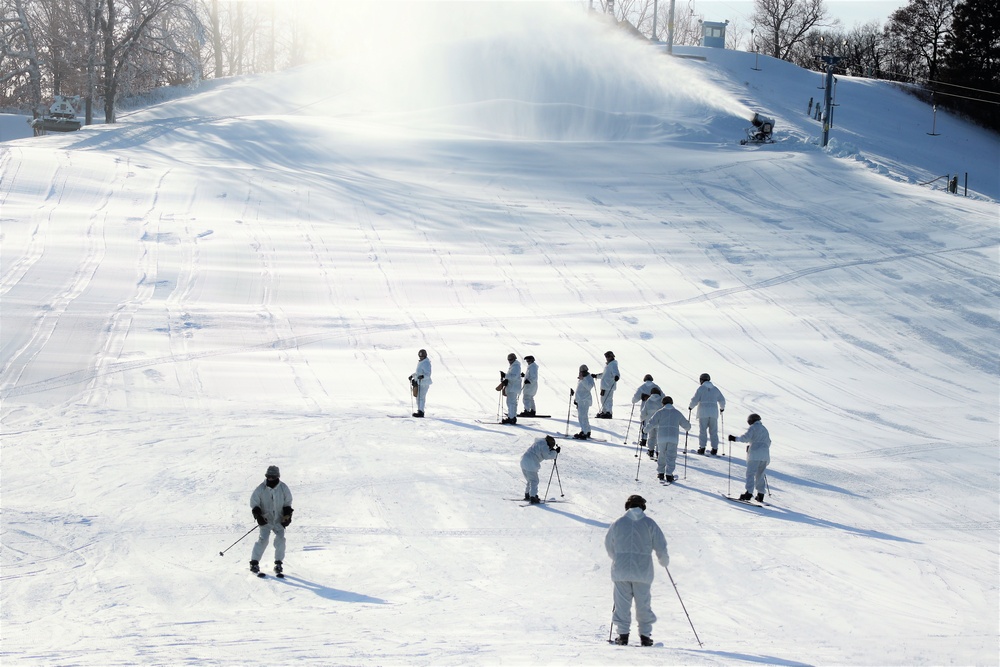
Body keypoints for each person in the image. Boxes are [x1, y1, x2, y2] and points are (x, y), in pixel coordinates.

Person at [605, 494, 670, 647]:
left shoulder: (618, 523)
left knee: (622, 604)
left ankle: (623, 636)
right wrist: (663, 560)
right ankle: (645, 637)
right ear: (643, 507)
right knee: (643, 604)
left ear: (627, 506)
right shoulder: (649, 523)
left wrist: (617, 557)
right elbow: (660, 545)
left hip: (621, 570)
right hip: (643, 571)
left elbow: (609, 544)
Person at [249, 465, 294, 576]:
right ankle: (254, 562)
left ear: (277, 476)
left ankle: (278, 563)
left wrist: (287, 515)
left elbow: (288, 502)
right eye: (268, 476)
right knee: (263, 540)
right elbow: (254, 503)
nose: (270, 479)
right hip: (266, 519)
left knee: (280, 540)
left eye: (273, 477)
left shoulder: (283, 488)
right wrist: (258, 516)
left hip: (279, 520)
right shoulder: (261, 488)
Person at [646, 396, 691, 483]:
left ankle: (661, 473)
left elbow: (652, 422)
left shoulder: (660, 412)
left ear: (663, 403)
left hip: (662, 438)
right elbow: (687, 426)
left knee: (662, 455)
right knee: (671, 456)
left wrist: (645, 430)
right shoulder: (677, 413)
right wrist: (688, 426)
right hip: (673, 438)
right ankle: (669, 475)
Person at [729, 413, 771, 502]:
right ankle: (760, 494)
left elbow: (745, 438)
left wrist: (735, 438)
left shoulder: (753, 427)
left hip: (755, 454)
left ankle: (749, 493)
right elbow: (769, 442)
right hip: (765, 455)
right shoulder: (764, 429)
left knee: (750, 474)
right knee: (760, 474)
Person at [688, 372, 726, 455]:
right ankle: (715, 448)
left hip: (703, 413)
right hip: (713, 413)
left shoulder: (701, 389)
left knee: (703, 431)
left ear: (701, 380)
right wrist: (722, 408)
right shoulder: (715, 389)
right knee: (713, 431)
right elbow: (722, 400)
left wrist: (691, 407)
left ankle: (702, 448)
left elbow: (695, 399)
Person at [520, 435, 560, 504]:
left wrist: (552, 451)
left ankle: (528, 494)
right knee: (534, 481)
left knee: (530, 480)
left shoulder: (539, 443)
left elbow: (543, 452)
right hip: (531, 462)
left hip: (524, 461)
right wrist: (555, 452)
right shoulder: (544, 445)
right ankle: (533, 496)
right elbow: (547, 456)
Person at [594, 351, 620, 419]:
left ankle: (609, 412)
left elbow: (616, 373)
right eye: (606, 357)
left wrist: (616, 376)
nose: (607, 358)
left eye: (608, 356)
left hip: (609, 385)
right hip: (604, 386)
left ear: (612, 356)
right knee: (603, 399)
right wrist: (596, 376)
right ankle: (604, 411)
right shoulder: (608, 365)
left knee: (608, 399)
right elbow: (604, 375)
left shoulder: (613, 364)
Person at [498, 353, 523, 424]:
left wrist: (505, 375)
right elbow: (512, 376)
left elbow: (514, 376)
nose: (509, 361)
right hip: (513, 387)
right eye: (508, 359)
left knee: (510, 403)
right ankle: (513, 417)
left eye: (511, 359)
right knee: (513, 403)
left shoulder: (516, 366)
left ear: (514, 359)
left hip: (513, 388)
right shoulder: (514, 366)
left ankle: (511, 418)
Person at [573, 364, 596, 439]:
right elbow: (579, 390)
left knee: (583, 416)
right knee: (581, 416)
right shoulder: (582, 378)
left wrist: (582, 379)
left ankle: (585, 432)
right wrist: (576, 399)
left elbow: (589, 387)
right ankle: (585, 430)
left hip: (585, 400)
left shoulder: (588, 378)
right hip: (581, 400)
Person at [409, 349, 432, 418]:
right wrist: (412, 376)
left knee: (421, 397)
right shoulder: (421, 362)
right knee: (418, 397)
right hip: (419, 382)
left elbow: (428, 374)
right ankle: (419, 410)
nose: (421, 357)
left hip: (424, 383)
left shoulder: (426, 363)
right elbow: (418, 372)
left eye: (422, 356)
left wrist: (423, 376)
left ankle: (421, 412)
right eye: (420, 356)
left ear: (425, 356)